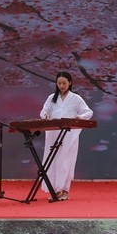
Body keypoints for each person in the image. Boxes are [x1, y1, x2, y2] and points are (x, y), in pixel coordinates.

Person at [39, 71, 93, 200]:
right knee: (52, 159)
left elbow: (89, 112)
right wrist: (45, 116)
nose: (61, 86)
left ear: (70, 83)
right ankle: (54, 189)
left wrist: (79, 117)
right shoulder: (51, 98)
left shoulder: (76, 98)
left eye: (64, 83)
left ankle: (63, 189)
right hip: (53, 132)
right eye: (59, 83)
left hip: (69, 133)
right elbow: (44, 111)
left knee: (66, 160)